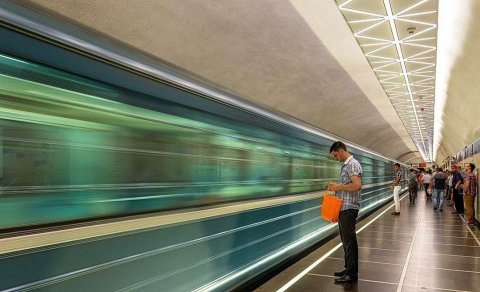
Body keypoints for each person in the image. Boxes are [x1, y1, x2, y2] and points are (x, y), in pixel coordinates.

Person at [327, 141, 362, 284]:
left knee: (349, 241)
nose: (336, 158)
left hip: (349, 209)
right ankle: (348, 269)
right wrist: (335, 187)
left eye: (335, 155)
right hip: (344, 208)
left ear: (341, 151)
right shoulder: (346, 165)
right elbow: (346, 185)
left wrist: (339, 187)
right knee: (345, 241)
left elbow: (357, 185)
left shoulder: (352, 164)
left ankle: (352, 274)